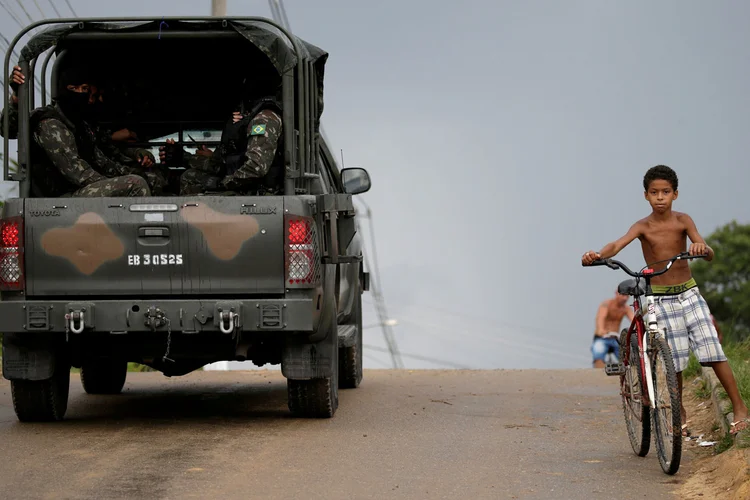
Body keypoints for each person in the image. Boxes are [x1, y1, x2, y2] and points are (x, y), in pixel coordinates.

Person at [581, 164, 749, 435]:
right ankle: (677, 410)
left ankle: (740, 408)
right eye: (654, 192)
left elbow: (708, 251)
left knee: (713, 350)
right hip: (660, 299)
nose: (660, 197)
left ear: (676, 194)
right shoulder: (642, 226)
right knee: (676, 359)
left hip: (689, 293)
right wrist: (598, 255)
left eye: (666, 192)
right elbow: (617, 244)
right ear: (646, 195)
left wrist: (701, 248)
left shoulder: (683, 220)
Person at [1, 66, 160, 196]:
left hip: (79, 189)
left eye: (85, 89)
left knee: (147, 178)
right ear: (67, 90)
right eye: (79, 89)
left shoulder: (80, 125)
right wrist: (16, 98)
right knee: (135, 184)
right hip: (60, 199)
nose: (85, 96)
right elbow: (78, 174)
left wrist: (136, 172)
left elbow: (103, 162)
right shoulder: (49, 123)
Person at [161, 75, 284, 196]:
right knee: (190, 176)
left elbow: (256, 168)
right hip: (243, 185)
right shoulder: (251, 119)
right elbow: (223, 164)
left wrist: (224, 184)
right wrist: (183, 157)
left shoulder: (264, 119)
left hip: (256, 192)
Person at [591, 290, 634, 368]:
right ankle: (599, 374)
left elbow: (633, 320)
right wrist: (601, 329)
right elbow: (601, 318)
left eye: (627, 296)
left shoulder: (626, 309)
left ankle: (627, 372)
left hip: (615, 338)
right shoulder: (606, 304)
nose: (625, 298)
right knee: (598, 352)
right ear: (616, 294)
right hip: (602, 337)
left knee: (628, 356)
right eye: (623, 295)